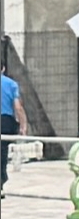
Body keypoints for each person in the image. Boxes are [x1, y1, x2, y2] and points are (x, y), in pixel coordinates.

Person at [1, 60, 28, 199]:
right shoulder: (11, 84)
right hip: (5, 121)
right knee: (2, 152)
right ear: (3, 68)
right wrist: (23, 125)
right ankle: (0, 183)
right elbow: (18, 107)